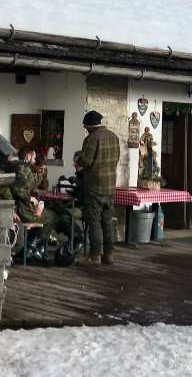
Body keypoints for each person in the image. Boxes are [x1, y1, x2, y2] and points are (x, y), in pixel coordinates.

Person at [77, 110, 120, 266]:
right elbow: (116, 159)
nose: (85, 130)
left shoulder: (91, 138)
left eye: (85, 127)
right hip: (110, 186)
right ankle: (109, 255)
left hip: (94, 186)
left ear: (89, 126)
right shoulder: (114, 137)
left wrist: (79, 161)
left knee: (94, 221)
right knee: (107, 221)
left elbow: (86, 161)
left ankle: (94, 256)